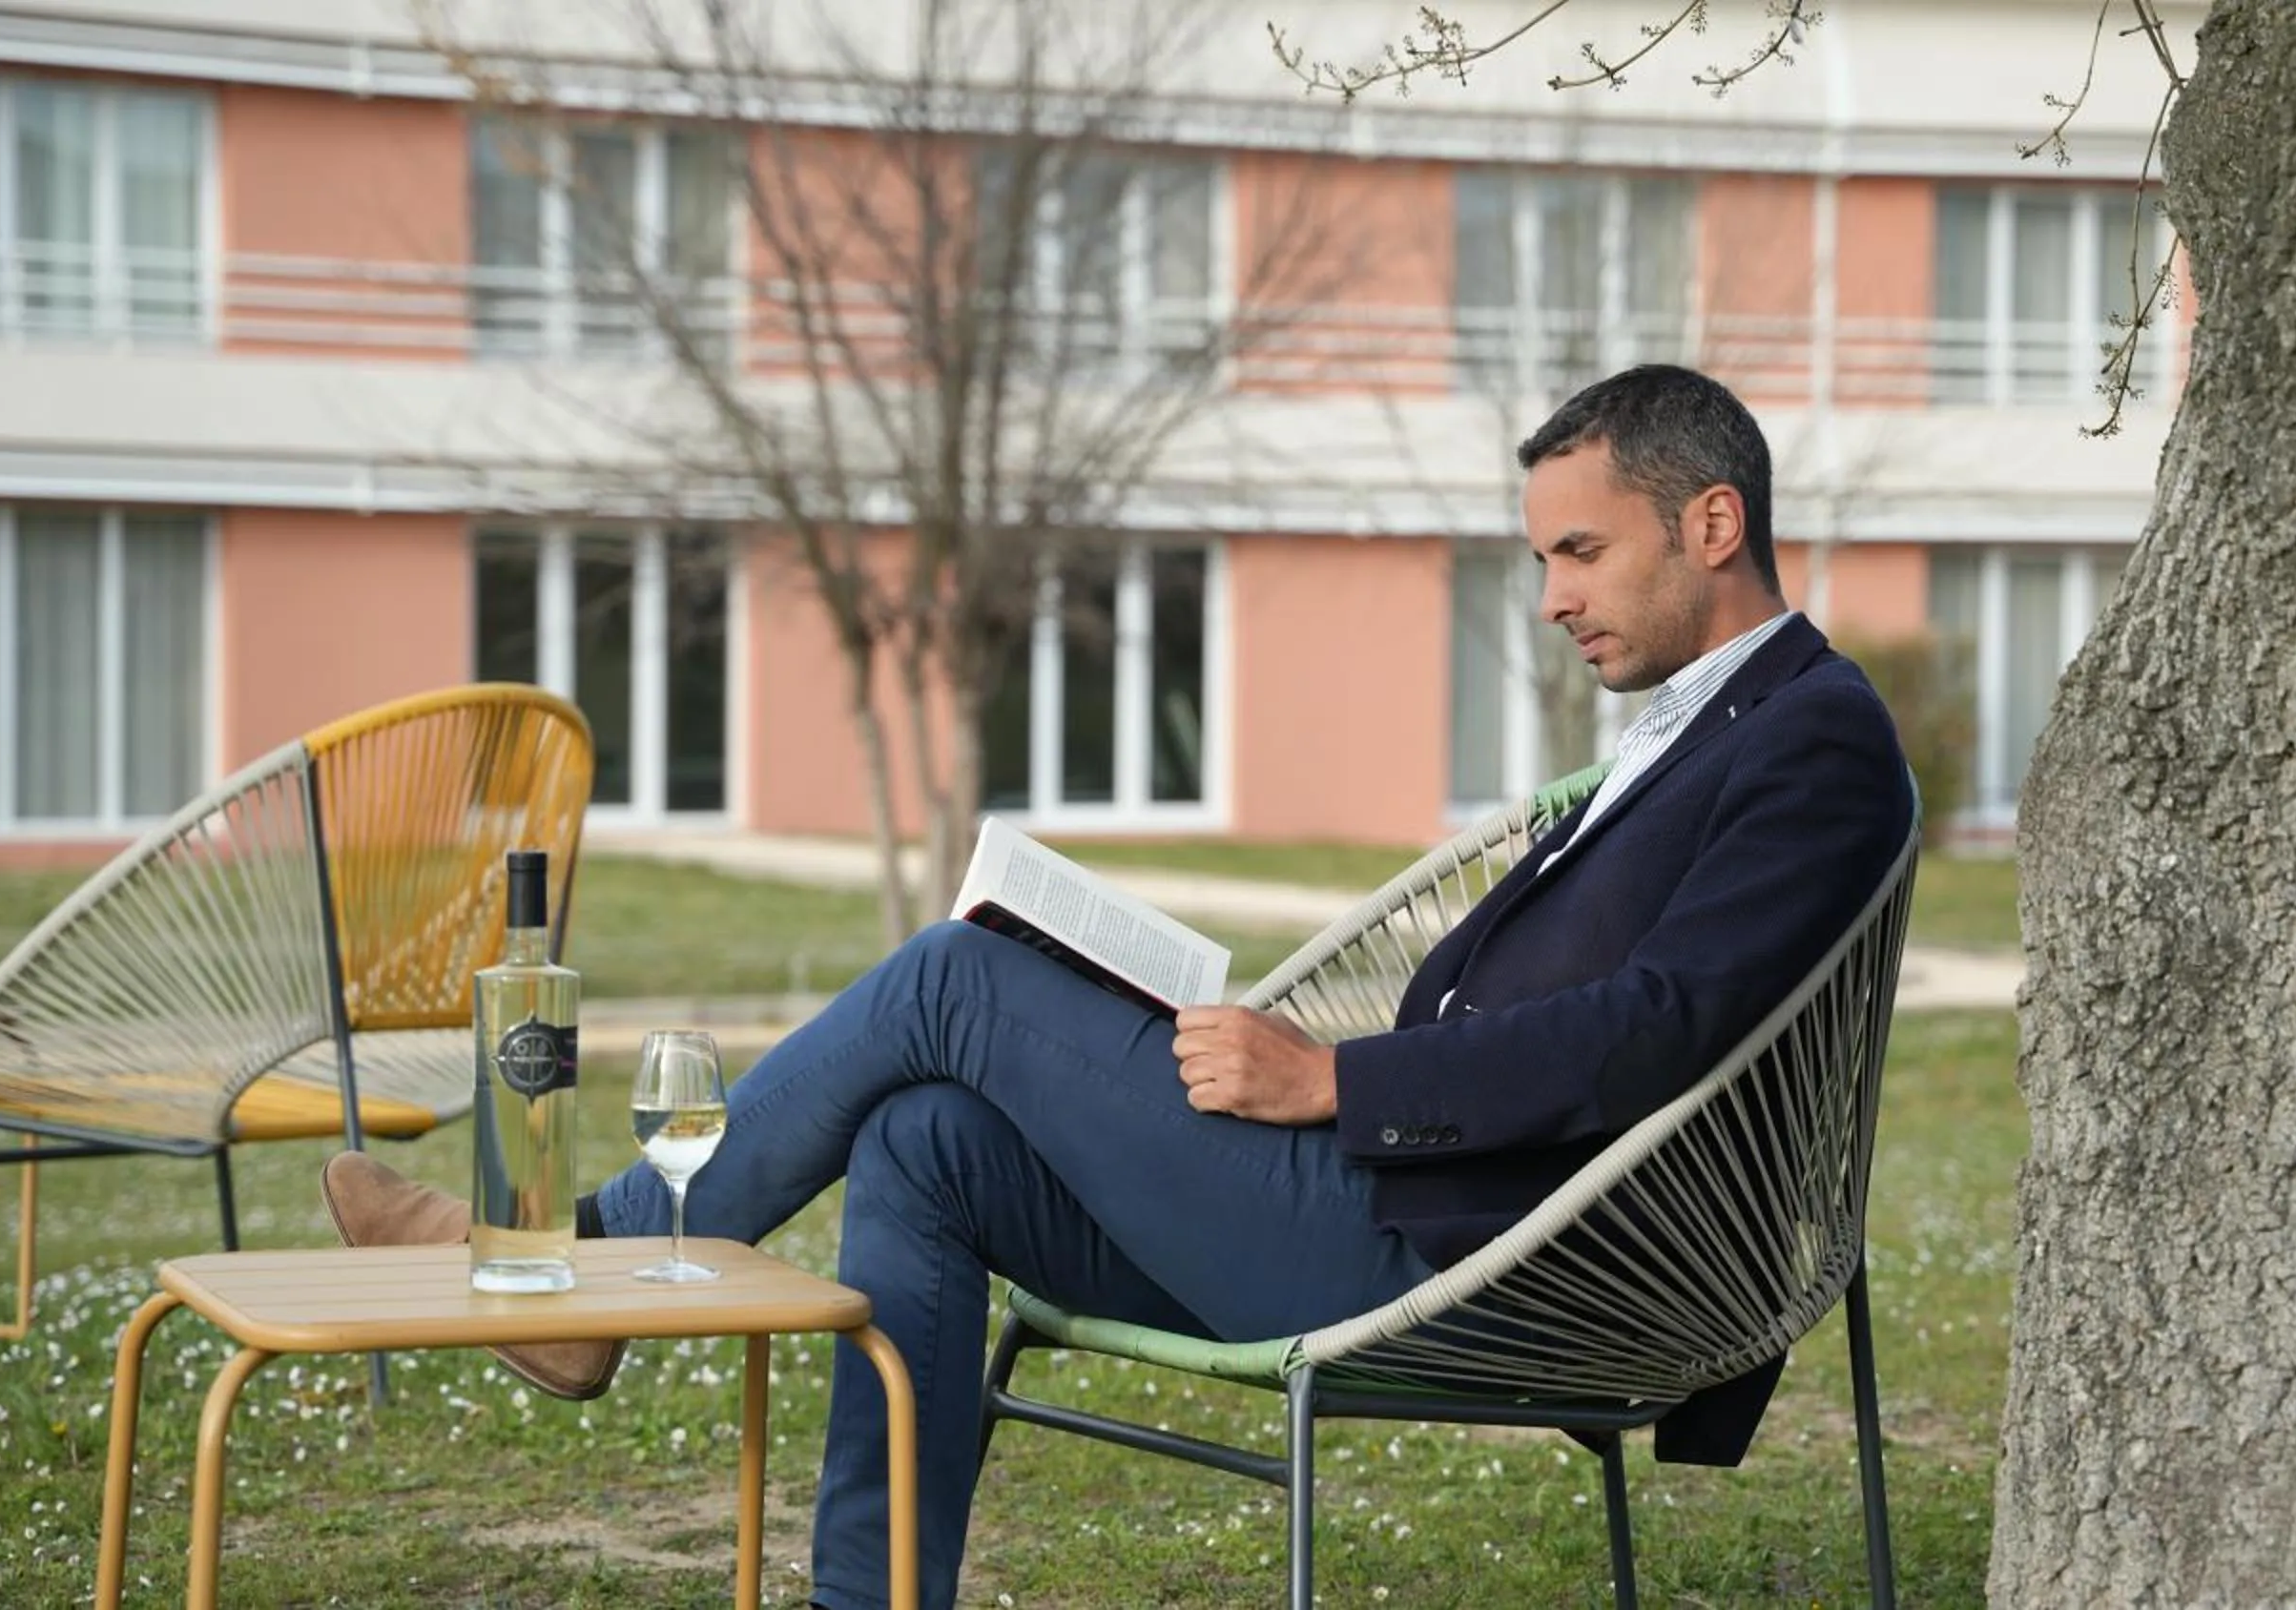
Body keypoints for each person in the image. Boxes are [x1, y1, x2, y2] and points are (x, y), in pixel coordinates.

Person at [322, 362, 1915, 1610]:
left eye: (1581, 550)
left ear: (1713, 525)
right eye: (1544, 557)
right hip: (1404, 1201)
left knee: (955, 980)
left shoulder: (1814, 736)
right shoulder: (1696, 728)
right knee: (926, 1139)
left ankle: (587, 1271)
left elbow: (1663, 1025)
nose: (1553, 595)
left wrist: (1334, 1082)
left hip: (1486, 1256)